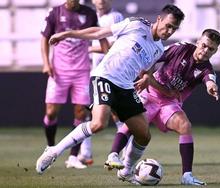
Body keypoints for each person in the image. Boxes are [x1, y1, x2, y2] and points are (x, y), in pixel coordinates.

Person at [36, 4, 185, 184]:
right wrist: (67, 34)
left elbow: (145, 70)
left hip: (125, 87)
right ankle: (53, 151)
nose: (169, 31)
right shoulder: (136, 25)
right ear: (159, 19)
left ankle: (126, 171)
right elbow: (99, 33)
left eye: (174, 29)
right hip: (104, 77)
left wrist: (146, 77)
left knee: (144, 135)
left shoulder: (159, 49)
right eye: (168, 25)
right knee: (98, 123)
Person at [107, 29, 220, 186]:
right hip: (150, 93)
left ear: (215, 51)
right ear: (198, 42)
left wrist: (212, 86)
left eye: (211, 49)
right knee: (132, 125)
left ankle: (187, 176)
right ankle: (114, 155)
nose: (205, 51)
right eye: (204, 45)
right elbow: (153, 57)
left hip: (169, 104)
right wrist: (147, 76)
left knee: (185, 126)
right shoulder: (180, 48)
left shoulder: (206, 68)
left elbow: (210, 80)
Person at [41, 0, 108, 169]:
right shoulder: (55, 13)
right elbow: (44, 38)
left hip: (81, 72)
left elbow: (100, 34)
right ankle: (50, 148)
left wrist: (108, 54)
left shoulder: (89, 13)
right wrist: (46, 63)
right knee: (50, 112)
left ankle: (73, 157)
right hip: (59, 71)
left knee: (81, 113)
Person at [78, 0, 124, 163]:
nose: (101, 1)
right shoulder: (87, 16)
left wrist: (88, 48)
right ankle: (85, 153)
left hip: (109, 72)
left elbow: (116, 45)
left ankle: (123, 153)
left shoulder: (115, 17)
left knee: (116, 113)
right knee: (84, 111)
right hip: (89, 71)